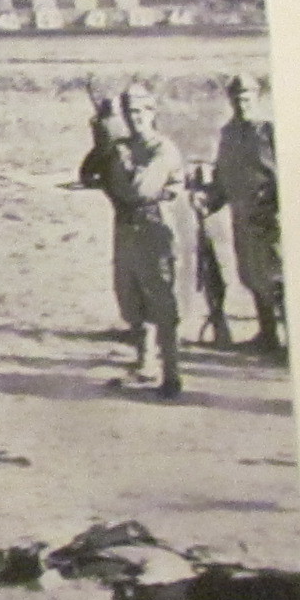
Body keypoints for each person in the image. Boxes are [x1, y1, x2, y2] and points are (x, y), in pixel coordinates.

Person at [90, 84, 188, 399]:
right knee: (130, 297)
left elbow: (140, 190)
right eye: (129, 113)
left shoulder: (163, 149)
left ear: (152, 113)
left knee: (161, 299)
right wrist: (102, 135)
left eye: (140, 112)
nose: (135, 120)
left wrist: (118, 161)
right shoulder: (122, 145)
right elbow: (88, 174)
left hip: (154, 227)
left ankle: (172, 374)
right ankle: (145, 364)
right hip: (126, 227)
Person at [194, 74, 284, 355]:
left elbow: (287, 177)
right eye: (237, 99)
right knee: (251, 275)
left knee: (278, 278)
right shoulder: (229, 133)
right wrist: (208, 199)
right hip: (242, 217)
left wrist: (274, 207)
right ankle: (268, 336)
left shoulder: (270, 131)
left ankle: (294, 343)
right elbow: (223, 179)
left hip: (269, 217)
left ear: (257, 97)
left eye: (247, 98)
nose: (242, 104)